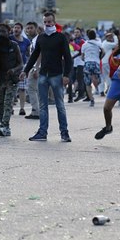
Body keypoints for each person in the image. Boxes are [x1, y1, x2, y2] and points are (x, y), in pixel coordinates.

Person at [19, 12, 73, 142]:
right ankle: (42, 132)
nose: (47, 24)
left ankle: (64, 133)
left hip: (56, 75)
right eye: (45, 22)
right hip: (43, 75)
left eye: (49, 22)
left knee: (60, 105)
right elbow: (34, 55)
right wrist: (25, 70)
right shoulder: (41, 37)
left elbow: (68, 57)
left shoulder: (61, 37)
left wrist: (66, 75)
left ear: (54, 22)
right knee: (43, 105)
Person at [0, 24, 23, 137]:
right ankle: (4, 125)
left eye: (3, 32)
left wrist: (13, 70)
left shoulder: (14, 46)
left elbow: (20, 64)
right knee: (0, 104)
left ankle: (5, 125)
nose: (1, 34)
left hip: (11, 80)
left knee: (8, 103)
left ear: (9, 32)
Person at [10, 22, 31, 116]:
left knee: (22, 89)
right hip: (11, 66)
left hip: (22, 66)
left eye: (18, 28)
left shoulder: (26, 41)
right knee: (11, 88)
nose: (16, 29)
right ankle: (10, 107)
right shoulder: (10, 39)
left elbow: (29, 53)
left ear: (21, 29)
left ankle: (22, 108)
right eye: (15, 28)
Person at [81, 29, 104, 107]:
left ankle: (91, 100)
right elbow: (103, 51)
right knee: (98, 80)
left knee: (87, 83)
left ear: (88, 36)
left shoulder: (84, 45)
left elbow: (82, 57)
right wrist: (100, 57)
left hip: (87, 63)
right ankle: (96, 85)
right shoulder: (98, 43)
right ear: (95, 35)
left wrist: (85, 59)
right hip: (95, 63)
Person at [23, 21, 40, 120]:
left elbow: (39, 54)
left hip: (36, 67)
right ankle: (37, 110)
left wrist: (36, 68)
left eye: (31, 28)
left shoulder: (37, 40)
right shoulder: (33, 40)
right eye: (28, 28)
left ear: (36, 29)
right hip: (34, 67)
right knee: (35, 89)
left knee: (31, 89)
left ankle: (36, 111)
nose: (29, 30)